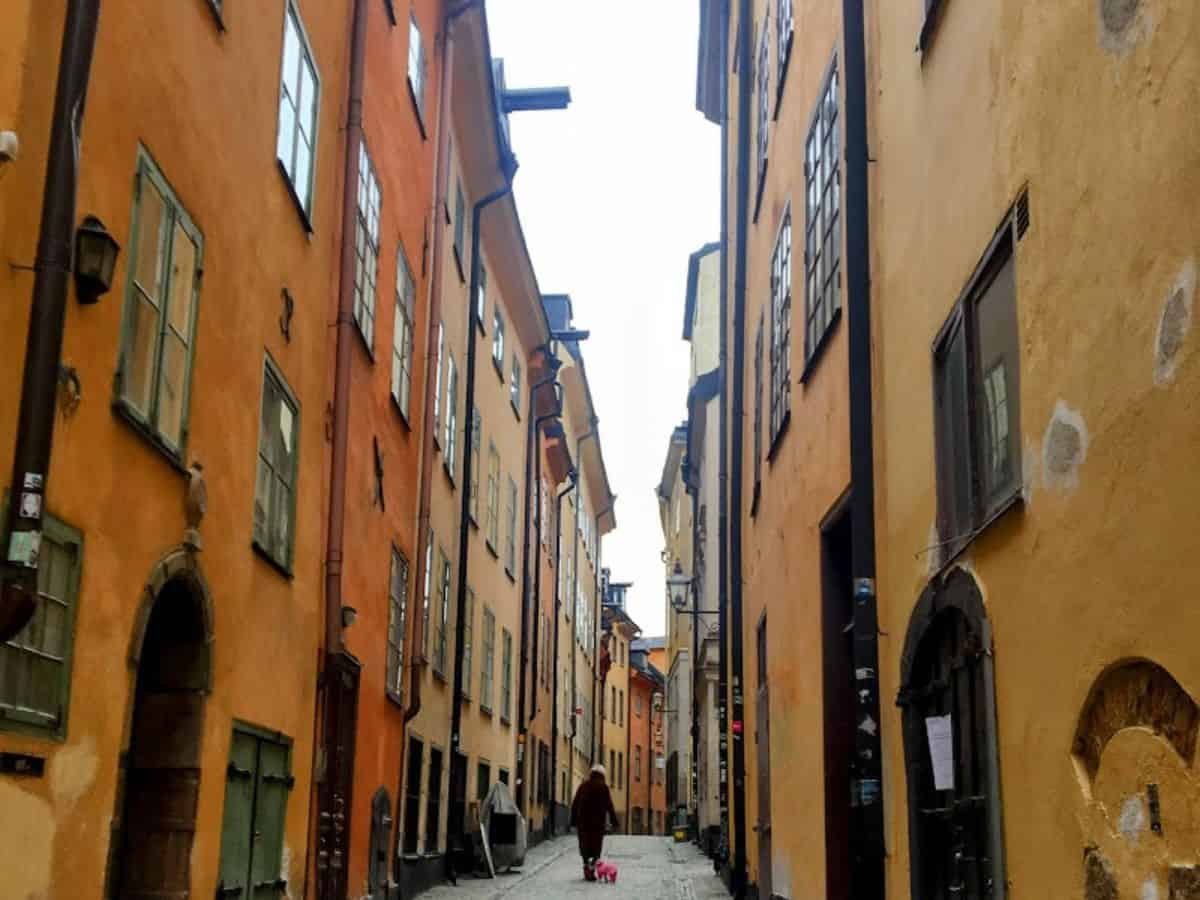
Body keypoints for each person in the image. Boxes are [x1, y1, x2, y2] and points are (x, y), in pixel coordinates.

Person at [570, 764, 620, 881]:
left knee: (585, 847)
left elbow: (575, 804)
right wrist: (614, 821)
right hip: (597, 824)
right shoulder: (603, 787)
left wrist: (573, 822)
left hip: (583, 823)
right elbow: (609, 805)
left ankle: (586, 867)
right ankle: (592, 868)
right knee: (596, 848)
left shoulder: (583, 786)